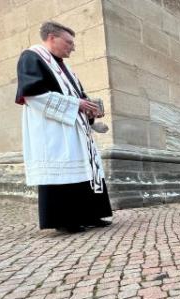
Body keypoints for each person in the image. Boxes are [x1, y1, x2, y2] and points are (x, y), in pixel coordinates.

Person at [16, 21, 112, 233]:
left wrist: (91, 114)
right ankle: (66, 220)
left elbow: (78, 96)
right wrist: (76, 104)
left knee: (86, 170)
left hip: (74, 129)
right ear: (52, 38)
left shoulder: (64, 66)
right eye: (68, 42)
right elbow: (32, 94)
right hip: (53, 130)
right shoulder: (31, 57)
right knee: (64, 171)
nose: (73, 47)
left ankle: (91, 215)